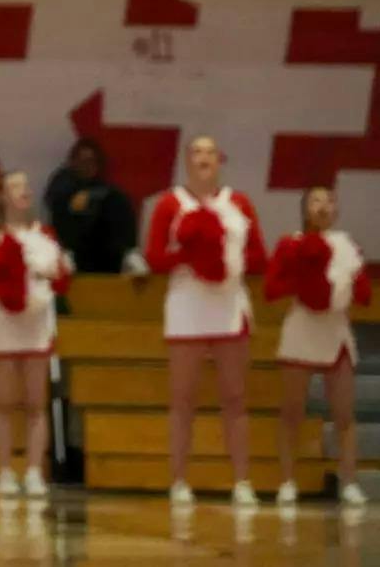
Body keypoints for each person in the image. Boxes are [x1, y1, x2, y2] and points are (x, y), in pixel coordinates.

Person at [143, 134, 267, 507]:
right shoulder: (170, 204)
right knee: (183, 398)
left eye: (211, 151)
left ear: (220, 160)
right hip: (186, 305)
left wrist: (224, 261)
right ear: (186, 160)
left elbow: (260, 257)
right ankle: (179, 481)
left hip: (229, 304)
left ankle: (242, 481)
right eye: (196, 151)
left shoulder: (239, 202)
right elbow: (152, 257)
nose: (203, 157)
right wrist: (189, 256)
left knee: (235, 396)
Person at [0, 171, 71, 500]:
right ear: (1, 196)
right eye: (15, 186)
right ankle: (4, 472)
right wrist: (4, 272)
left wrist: (57, 273)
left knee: (37, 402)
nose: (23, 191)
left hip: (38, 320)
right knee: (4, 402)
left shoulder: (46, 233)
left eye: (26, 186)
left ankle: (36, 471)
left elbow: (61, 279)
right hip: (4, 320)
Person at [265, 184, 369, 507]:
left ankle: (349, 481)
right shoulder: (290, 243)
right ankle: (287, 481)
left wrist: (348, 287)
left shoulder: (347, 245)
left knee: (344, 414)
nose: (323, 205)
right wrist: (304, 280)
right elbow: (271, 288)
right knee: (292, 412)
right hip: (301, 330)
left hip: (336, 331)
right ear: (305, 208)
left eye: (329, 200)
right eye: (315, 200)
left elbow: (364, 294)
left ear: (335, 209)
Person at [44, 138, 144, 275]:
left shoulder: (111, 194)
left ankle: (130, 256)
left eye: (92, 161)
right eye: (83, 161)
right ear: (73, 162)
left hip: (107, 262)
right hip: (74, 260)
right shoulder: (61, 190)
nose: (88, 166)